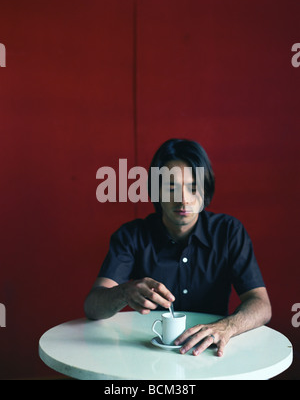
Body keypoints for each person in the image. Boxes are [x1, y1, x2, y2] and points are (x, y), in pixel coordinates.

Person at [84, 138, 272, 357]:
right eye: (171, 187)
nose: (183, 200)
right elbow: (92, 307)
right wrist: (124, 292)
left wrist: (227, 326)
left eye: (193, 188)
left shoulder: (229, 231)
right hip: (148, 355)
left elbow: (261, 304)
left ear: (205, 190)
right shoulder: (132, 235)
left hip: (211, 353)